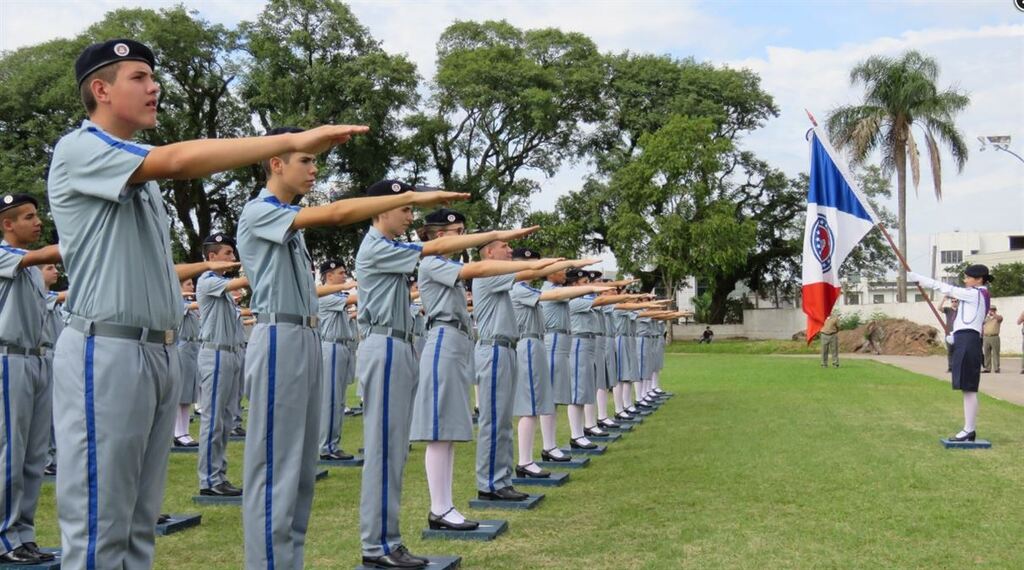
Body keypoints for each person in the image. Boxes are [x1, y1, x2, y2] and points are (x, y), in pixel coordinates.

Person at [47, 38, 370, 569]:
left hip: (154, 350)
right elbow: (178, 161)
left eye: (153, 77)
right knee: (100, 527)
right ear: (100, 90)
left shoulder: (135, 169)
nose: (154, 87)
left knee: (136, 529)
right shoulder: (80, 148)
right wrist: (295, 136)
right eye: (138, 77)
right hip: (104, 348)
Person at [409, 211, 547, 534]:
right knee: (441, 428)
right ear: (438, 234)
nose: (462, 236)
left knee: (451, 430)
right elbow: (482, 267)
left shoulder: (447, 263)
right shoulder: (432, 262)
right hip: (445, 337)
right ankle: (441, 507)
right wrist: (530, 257)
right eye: (457, 231)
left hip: (458, 340)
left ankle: (446, 506)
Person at [0, 194, 62, 565]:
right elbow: (41, 256)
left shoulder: (31, 271)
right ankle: (5, 538)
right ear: (8, 224)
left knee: (34, 455)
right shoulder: (6, 255)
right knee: (10, 450)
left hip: (37, 360)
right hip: (9, 359)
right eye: (28, 216)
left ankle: (23, 533)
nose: (37, 222)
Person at [909, 265, 992, 442]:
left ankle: (969, 430)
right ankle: (968, 429)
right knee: (965, 387)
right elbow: (967, 319)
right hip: (964, 338)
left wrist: (920, 278)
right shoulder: (975, 294)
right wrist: (955, 334)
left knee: (968, 387)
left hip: (969, 341)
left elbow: (945, 288)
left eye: (968, 277)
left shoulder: (975, 293)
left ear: (978, 279)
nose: (965, 280)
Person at [196, 233, 250, 497]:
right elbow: (242, 282)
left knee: (226, 419)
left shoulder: (222, 285)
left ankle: (219, 474)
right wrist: (258, 268)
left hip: (230, 354)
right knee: (214, 419)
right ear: (212, 257)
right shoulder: (207, 280)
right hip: (215, 354)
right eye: (227, 253)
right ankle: (209, 479)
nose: (232, 258)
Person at [175, 278, 201, 447]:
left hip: (193, 346)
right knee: (181, 392)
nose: (192, 287)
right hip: (183, 347)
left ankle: (184, 432)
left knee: (189, 393)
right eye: (188, 284)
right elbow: (191, 306)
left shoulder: (191, 305)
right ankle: (178, 432)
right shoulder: (178, 303)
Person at [939, 296, 959, 372]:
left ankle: (957, 367)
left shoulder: (960, 311)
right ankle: (950, 367)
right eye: (952, 301)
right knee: (950, 351)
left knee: (958, 351)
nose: (954, 303)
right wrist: (943, 300)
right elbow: (939, 308)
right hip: (949, 333)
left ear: (958, 302)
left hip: (958, 333)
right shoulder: (948, 310)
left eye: (955, 301)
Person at [982, 306, 1002, 373]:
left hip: (995, 337)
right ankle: (987, 368)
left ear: (995, 310)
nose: (991, 311)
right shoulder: (986, 318)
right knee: (986, 353)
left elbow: (1000, 319)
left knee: (996, 353)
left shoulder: (998, 317)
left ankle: (996, 368)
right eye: (990, 310)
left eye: (992, 310)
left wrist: (994, 315)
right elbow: (981, 323)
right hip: (986, 337)